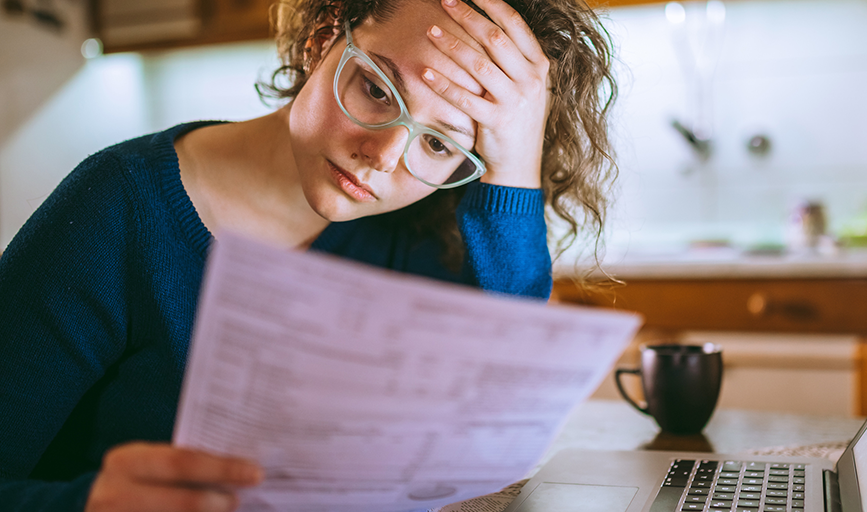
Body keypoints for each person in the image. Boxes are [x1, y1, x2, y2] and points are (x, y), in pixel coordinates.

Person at [0, 0, 617, 509]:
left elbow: (505, 408)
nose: (382, 157)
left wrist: (512, 173)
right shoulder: (118, 206)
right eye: (376, 89)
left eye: (437, 143)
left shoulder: (419, 232)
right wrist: (85, 504)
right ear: (322, 41)